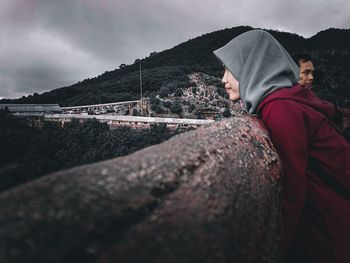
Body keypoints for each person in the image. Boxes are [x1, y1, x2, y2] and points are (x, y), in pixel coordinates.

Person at [213, 30, 350, 263]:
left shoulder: (279, 107)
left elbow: (292, 185)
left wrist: (275, 246)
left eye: (230, 69)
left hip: (330, 228)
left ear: (252, 66)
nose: (223, 79)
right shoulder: (283, 100)